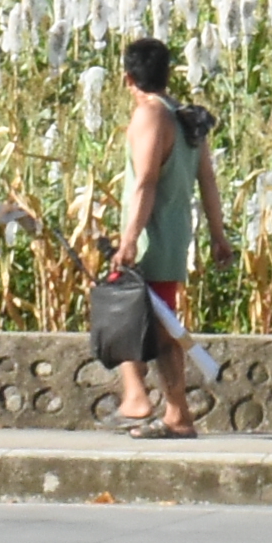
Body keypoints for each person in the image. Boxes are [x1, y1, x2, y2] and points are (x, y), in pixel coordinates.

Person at [111, 35, 231, 436]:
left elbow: (145, 181)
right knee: (161, 323)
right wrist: (218, 235)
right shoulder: (185, 117)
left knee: (119, 310)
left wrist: (129, 239)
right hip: (175, 236)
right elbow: (207, 181)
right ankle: (173, 412)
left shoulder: (150, 115)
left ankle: (140, 399)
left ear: (128, 79)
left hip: (149, 236)